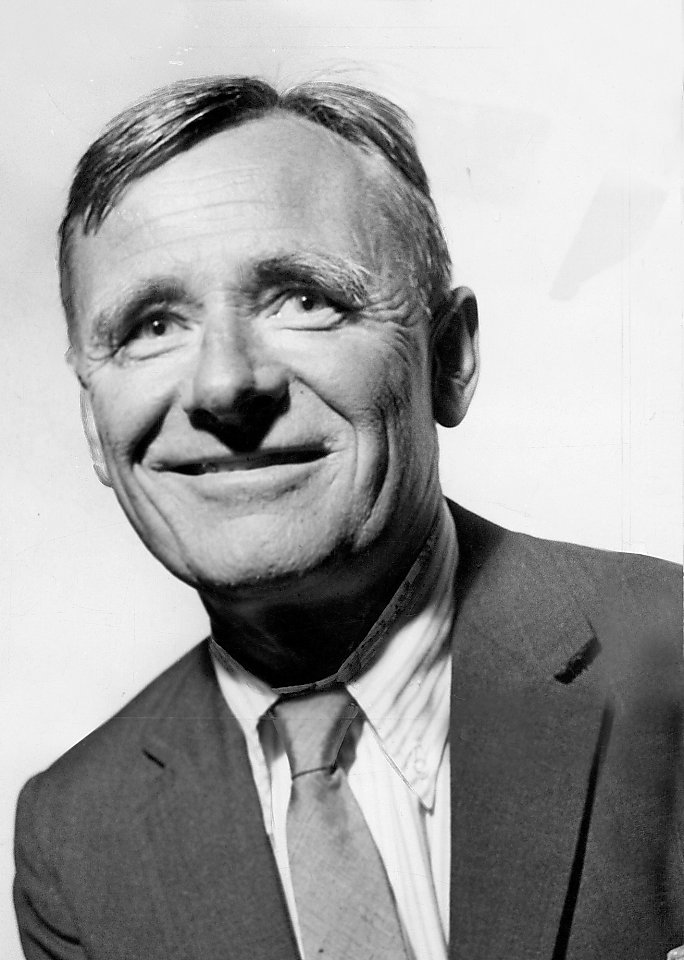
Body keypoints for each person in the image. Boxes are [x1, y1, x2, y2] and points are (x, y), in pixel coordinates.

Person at [13, 76, 683, 960]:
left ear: (449, 359)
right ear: (94, 428)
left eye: (304, 299)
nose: (224, 385)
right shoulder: (73, 841)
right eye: (151, 325)